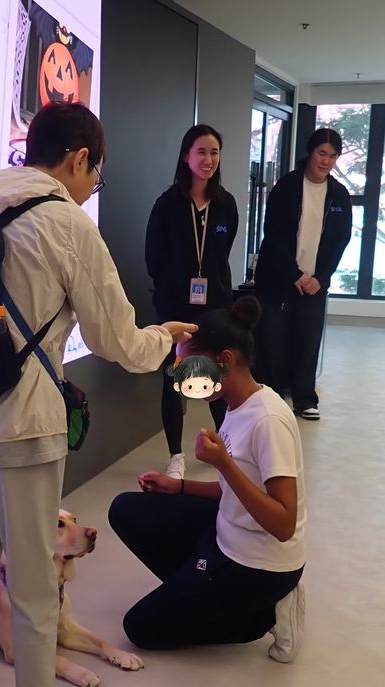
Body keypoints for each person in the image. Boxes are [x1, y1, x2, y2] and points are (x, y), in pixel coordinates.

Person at [0, 103, 197, 687]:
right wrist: (166, 338)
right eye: (95, 176)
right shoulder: (68, 224)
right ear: (77, 159)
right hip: (20, 429)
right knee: (35, 583)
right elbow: (117, 341)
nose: (91, 188)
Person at [108, 297, 307, 662]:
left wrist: (223, 463)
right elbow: (235, 490)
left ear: (225, 360)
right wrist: (181, 487)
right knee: (126, 509)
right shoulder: (236, 405)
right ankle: (200, 589)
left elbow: (284, 523)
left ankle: (265, 613)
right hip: (226, 534)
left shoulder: (268, 420)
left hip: (259, 565)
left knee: (140, 627)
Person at [145, 124, 240, 479]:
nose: (208, 160)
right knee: (175, 380)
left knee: (217, 378)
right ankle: (176, 455)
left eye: (214, 153)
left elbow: (223, 252)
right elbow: (153, 257)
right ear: (186, 156)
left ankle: (226, 450)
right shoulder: (167, 204)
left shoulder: (225, 204)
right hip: (175, 308)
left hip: (215, 306)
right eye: (201, 152)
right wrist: (169, 292)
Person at [254, 128, 353, 421]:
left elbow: (340, 240)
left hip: (314, 282)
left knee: (308, 339)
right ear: (310, 152)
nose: (326, 161)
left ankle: (305, 398)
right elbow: (273, 235)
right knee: (273, 339)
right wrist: (293, 274)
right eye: (322, 153)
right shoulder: (286, 187)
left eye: (333, 156)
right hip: (280, 278)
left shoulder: (339, 194)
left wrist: (321, 277)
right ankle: (272, 398)